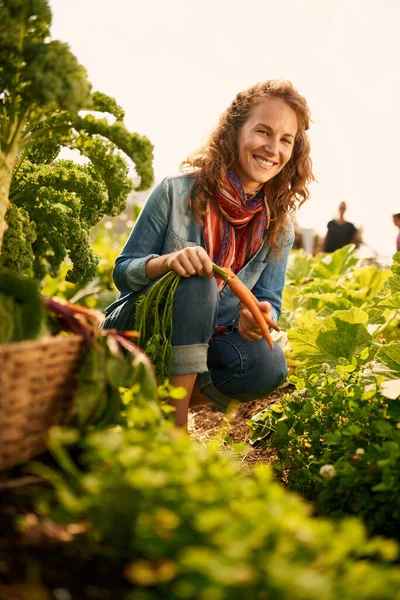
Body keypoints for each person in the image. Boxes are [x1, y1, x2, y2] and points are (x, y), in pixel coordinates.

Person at [102, 80, 314, 427]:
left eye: (286, 140)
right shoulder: (177, 190)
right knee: (197, 280)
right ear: (235, 131)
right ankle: (174, 426)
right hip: (138, 331)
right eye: (263, 131)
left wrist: (256, 314)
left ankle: (159, 403)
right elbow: (123, 273)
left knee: (268, 364)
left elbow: (268, 301)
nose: (273, 148)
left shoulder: (280, 226)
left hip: (204, 342)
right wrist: (168, 263)